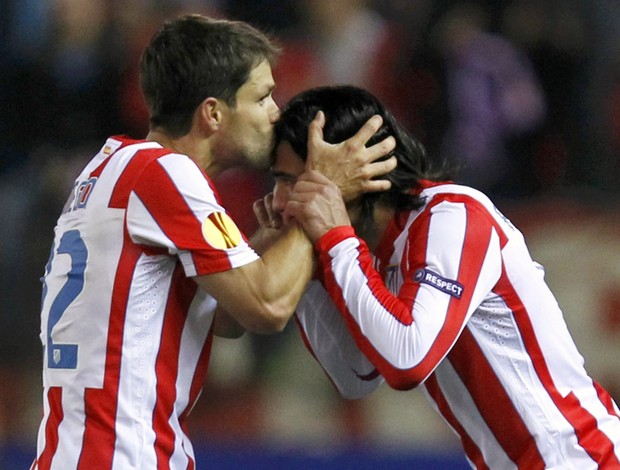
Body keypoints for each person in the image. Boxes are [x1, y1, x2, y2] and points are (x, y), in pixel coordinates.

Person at [32, 15, 397, 470]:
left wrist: (265, 239)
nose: (275, 112)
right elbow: (266, 306)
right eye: (262, 97)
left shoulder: (108, 169)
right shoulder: (166, 173)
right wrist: (322, 191)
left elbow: (225, 316)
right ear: (213, 114)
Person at [254, 85, 620, 468]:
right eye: (277, 182)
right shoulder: (369, 249)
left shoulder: (453, 217)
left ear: (354, 169)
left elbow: (407, 360)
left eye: (294, 181)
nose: (279, 201)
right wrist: (312, 264)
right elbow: (355, 374)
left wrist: (335, 241)